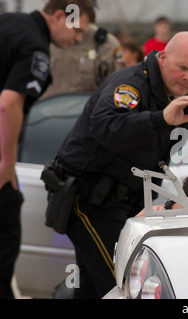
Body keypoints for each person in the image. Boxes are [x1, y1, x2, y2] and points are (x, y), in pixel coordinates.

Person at [49, 31, 188, 298]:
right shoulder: (130, 85)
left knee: (91, 288)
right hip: (92, 199)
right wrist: (161, 119)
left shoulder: (183, 98)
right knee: (124, 286)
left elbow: (156, 156)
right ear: (163, 57)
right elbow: (106, 127)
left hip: (127, 202)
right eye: (182, 68)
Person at [0, 0, 94, 299]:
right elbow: (8, 104)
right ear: (59, 16)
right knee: (5, 245)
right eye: (77, 30)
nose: (79, 39)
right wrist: (6, 164)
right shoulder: (34, 46)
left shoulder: (10, 24)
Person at [40, 23, 124, 99]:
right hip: (45, 111)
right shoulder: (42, 36)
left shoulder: (107, 44)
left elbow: (119, 86)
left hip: (86, 111)